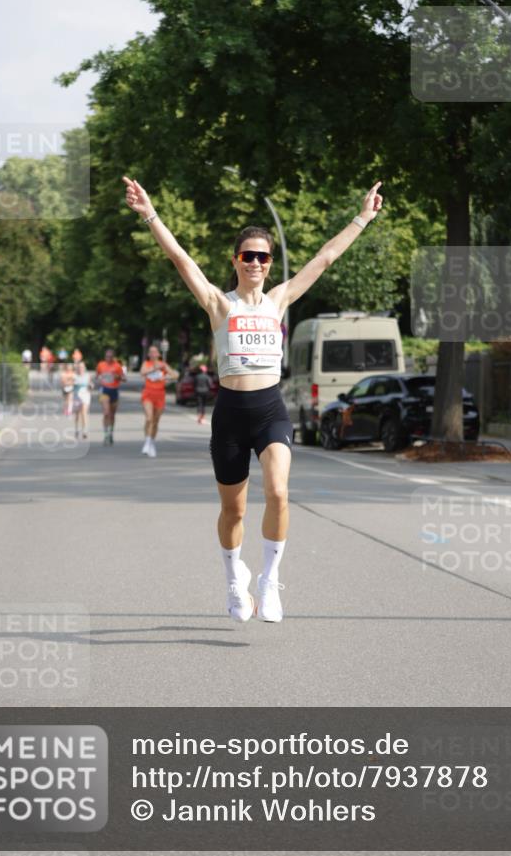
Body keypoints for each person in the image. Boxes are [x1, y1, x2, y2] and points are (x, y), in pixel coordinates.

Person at [124, 174, 384, 623]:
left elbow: (324, 258)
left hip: (269, 410)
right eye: (249, 256)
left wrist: (362, 218)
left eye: (263, 257)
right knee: (234, 509)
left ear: (269, 262)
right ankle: (233, 578)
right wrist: (149, 213)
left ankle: (269, 579)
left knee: (279, 493)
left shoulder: (279, 300)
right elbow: (179, 257)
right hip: (229, 415)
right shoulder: (218, 304)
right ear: (237, 261)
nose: (257, 263)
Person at [140, 344, 179, 457]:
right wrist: (154, 368)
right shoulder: (146, 364)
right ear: (148, 354)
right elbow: (142, 373)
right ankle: (147, 442)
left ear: (158, 354)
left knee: (155, 421)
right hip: (148, 394)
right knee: (149, 418)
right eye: (151, 352)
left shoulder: (163, 365)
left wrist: (167, 374)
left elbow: (175, 376)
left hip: (160, 395)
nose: (153, 354)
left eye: (155, 352)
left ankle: (152, 443)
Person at [94, 348, 126, 445]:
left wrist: (119, 377)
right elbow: (97, 376)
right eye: (107, 356)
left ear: (113, 357)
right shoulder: (101, 365)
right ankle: (106, 434)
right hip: (104, 390)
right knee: (106, 413)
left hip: (114, 391)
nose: (108, 358)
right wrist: (98, 379)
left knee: (112, 415)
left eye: (110, 357)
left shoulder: (117, 366)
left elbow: (124, 378)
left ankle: (111, 432)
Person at [73, 361, 92, 439]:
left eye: (82, 367)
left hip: (85, 396)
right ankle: (77, 429)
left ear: (84, 368)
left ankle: (85, 430)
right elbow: (70, 385)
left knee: (84, 412)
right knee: (77, 414)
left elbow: (90, 385)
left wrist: (91, 386)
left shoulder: (88, 375)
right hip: (77, 396)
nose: (81, 368)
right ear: (77, 368)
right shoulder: (74, 376)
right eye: (79, 367)